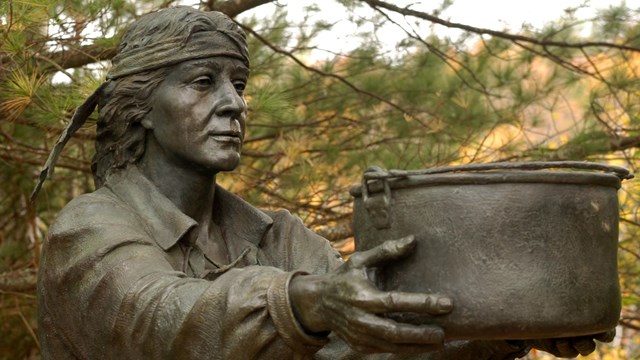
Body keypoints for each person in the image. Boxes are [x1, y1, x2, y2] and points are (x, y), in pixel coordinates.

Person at [34, 6, 612, 360]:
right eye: (203, 82)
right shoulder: (89, 230)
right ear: (140, 107)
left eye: (238, 84)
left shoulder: (276, 238)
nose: (233, 104)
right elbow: (159, 321)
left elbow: (363, 347)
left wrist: (503, 335)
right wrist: (303, 301)